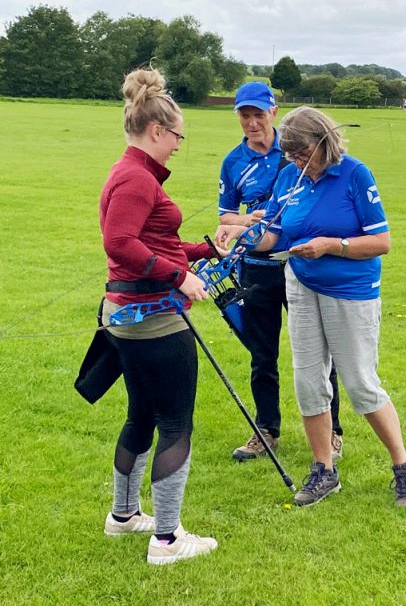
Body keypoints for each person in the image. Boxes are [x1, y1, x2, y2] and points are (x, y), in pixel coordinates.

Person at [216, 106, 406, 508]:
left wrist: (332, 245)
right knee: (309, 380)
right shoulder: (291, 175)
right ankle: (323, 470)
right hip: (301, 284)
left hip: (351, 291)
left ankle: (405, 466)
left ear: (324, 142)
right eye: (290, 154)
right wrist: (238, 233)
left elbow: (381, 242)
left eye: (302, 152)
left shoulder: (353, 174)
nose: (296, 160)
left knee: (361, 384)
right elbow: (274, 232)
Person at [99, 67, 222, 564]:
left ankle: (125, 516)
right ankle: (168, 540)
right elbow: (120, 243)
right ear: (156, 131)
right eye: (177, 136)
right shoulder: (135, 178)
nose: (178, 144)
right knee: (176, 423)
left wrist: (206, 250)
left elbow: (154, 241)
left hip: (132, 314)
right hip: (152, 317)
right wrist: (179, 277)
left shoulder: (135, 173)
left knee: (143, 414)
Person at [218, 81, 344, 462]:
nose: (252, 122)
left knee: (320, 354)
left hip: (301, 263)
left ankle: (333, 431)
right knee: (262, 354)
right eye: (245, 115)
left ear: (274, 112)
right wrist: (247, 219)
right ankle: (266, 430)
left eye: (259, 114)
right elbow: (226, 215)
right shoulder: (233, 161)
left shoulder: (296, 147)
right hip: (256, 267)